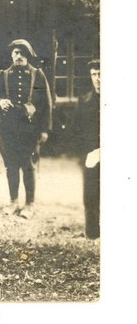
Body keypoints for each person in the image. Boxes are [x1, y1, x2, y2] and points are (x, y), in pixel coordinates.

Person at [0, 39, 52, 219]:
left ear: (28, 56)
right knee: (11, 166)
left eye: (23, 53)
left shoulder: (37, 75)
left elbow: (46, 104)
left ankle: (29, 204)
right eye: (16, 53)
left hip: (29, 130)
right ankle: (13, 202)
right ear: (11, 55)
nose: (19, 56)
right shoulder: (4, 75)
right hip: (7, 129)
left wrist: (45, 130)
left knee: (28, 166)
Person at [70, 59, 100, 238]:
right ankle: (92, 233)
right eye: (94, 75)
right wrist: (84, 156)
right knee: (90, 196)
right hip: (91, 157)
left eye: (101, 74)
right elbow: (74, 133)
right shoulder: (84, 101)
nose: (97, 79)